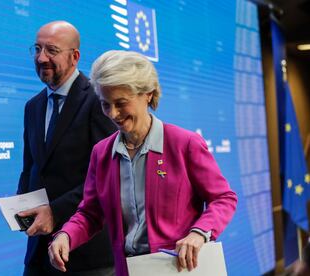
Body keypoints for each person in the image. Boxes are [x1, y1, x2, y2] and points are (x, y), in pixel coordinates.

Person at [48, 50, 238, 276]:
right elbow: (91, 212)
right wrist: (66, 235)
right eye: (105, 104)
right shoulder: (101, 153)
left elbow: (223, 198)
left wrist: (200, 232)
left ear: (147, 94)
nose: (113, 114)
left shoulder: (184, 143)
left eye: (121, 103)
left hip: (180, 269)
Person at [17, 21, 116, 275]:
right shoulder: (33, 106)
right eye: (37, 49)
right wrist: (20, 205)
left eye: (51, 50)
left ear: (75, 56)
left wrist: (55, 211)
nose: (41, 58)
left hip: (86, 254)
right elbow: (32, 167)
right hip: (39, 253)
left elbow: (107, 175)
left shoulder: (99, 99)